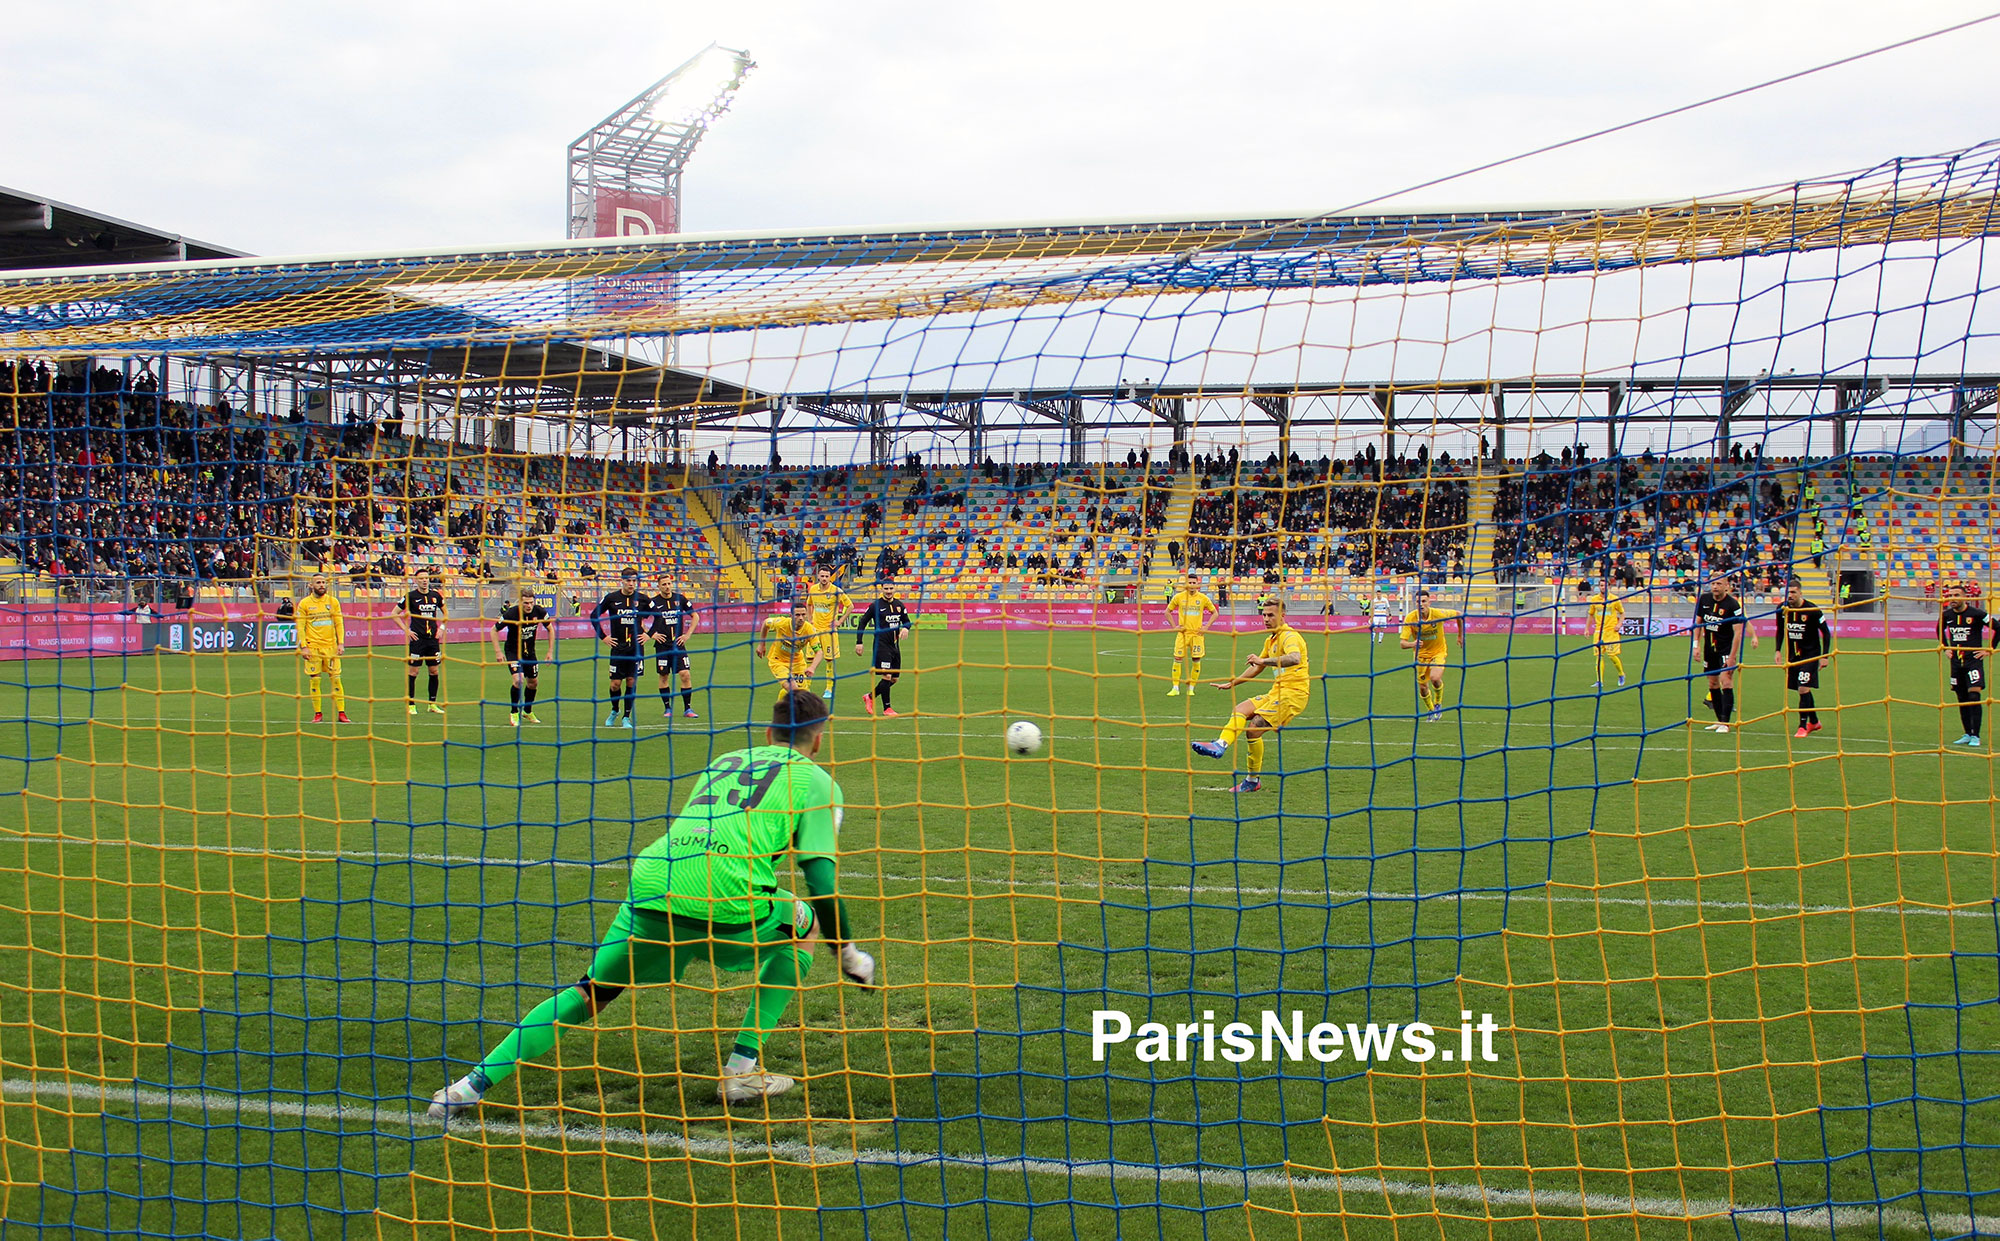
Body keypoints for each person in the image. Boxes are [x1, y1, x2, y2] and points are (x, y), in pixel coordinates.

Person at [426, 690, 878, 1117]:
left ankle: (464, 1089)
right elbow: (819, 877)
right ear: (819, 738)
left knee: (589, 992)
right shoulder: (819, 782)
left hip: (652, 882)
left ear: (767, 733)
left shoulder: (726, 760)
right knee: (806, 927)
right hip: (727, 896)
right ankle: (740, 1070)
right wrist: (850, 955)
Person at [1189, 594, 1309, 794]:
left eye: (1271, 615)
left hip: (1293, 694)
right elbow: (1256, 668)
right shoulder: (1270, 641)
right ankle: (1220, 745)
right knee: (1240, 709)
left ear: (1283, 616)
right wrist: (1232, 683)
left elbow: (1294, 658)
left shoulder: (1290, 636)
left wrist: (1263, 661)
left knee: (1253, 730)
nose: (1266, 619)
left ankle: (1252, 781)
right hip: (1277, 692)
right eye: (1264, 615)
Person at [1691, 577, 1754, 733]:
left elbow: (1738, 632)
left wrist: (1733, 657)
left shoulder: (1732, 605)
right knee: (1712, 684)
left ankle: (1726, 723)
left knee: (1726, 681)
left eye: (1719, 583)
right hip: (1709, 650)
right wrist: (1695, 646)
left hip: (1726, 650)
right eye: (1713, 583)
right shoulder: (1704, 599)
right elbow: (1698, 624)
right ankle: (1719, 720)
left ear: (1727, 586)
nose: (1715, 586)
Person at [1772, 576, 1831, 738]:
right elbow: (1780, 630)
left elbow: (1826, 633)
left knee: (1803, 688)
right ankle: (1814, 721)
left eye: (1793, 592)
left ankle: (1802, 726)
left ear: (1800, 593)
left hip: (1810, 655)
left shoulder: (1812, 610)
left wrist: (1824, 656)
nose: (1790, 596)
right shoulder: (1782, 609)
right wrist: (1778, 650)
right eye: (1787, 593)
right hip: (1793, 657)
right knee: (1802, 690)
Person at [1940, 583, 1996, 746]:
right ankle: (1966, 733)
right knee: (1962, 698)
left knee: (1974, 696)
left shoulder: (1977, 614)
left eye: (1957, 595)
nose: (1953, 599)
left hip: (1973, 661)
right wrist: (1945, 648)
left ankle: (1975, 736)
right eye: (1950, 595)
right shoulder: (1947, 615)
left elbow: (1997, 628)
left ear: (1965, 597)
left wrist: (1989, 649)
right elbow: (1939, 630)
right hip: (1956, 663)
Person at [590, 568, 647, 729]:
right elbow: (594, 616)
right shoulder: (611, 598)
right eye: (628, 580)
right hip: (618, 648)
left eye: (634, 581)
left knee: (631, 680)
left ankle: (626, 717)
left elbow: (658, 616)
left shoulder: (642, 599)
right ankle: (615, 710)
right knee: (615, 684)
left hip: (636, 649)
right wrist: (604, 637)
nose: (631, 583)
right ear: (622, 580)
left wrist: (648, 635)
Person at [1399, 588, 1464, 722]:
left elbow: (1459, 614)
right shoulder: (1411, 618)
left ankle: (1438, 704)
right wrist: (1413, 644)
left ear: (1429, 602)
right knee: (1423, 687)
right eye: (1418, 602)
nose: (1421, 604)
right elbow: (1402, 643)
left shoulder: (1438, 614)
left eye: (1424, 601)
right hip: (1420, 656)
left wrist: (1460, 635)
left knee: (1435, 678)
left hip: (1438, 652)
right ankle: (1430, 710)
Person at [494, 583, 552, 727]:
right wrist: (498, 651)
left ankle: (527, 711)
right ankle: (514, 712)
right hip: (513, 652)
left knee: (533, 683)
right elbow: (493, 630)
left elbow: (550, 629)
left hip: (530, 653)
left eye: (531, 603)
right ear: (520, 602)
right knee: (518, 680)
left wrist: (550, 651)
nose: (529, 606)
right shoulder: (511, 614)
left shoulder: (539, 612)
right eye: (526, 603)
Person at [854, 578, 913, 717]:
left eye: (891, 589)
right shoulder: (875, 606)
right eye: (886, 589)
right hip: (881, 646)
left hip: (895, 647)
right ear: (881, 589)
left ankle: (869, 696)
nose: (888, 591)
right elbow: (862, 622)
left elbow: (907, 622)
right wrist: (859, 642)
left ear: (894, 589)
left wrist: (906, 628)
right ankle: (887, 708)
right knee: (886, 676)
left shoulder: (899, 605)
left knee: (894, 679)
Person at [296, 573, 348, 724]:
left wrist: (341, 643)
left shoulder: (333, 602)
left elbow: (339, 623)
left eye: (323, 582)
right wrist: (304, 646)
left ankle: (342, 713)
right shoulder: (304, 603)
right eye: (318, 582)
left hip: (331, 647)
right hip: (313, 648)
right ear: (311, 585)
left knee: (336, 680)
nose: (321, 585)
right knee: (315, 680)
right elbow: (300, 626)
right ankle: (318, 713)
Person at [396, 569, 447, 716]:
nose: (425, 581)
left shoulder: (436, 596)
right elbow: (394, 614)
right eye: (421, 578)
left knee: (434, 671)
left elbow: (446, 613)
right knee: (414, 671)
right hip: (417, 640)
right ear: (416, 580)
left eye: (426, 578)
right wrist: (406, 630)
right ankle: (411, 704)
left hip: (433, 640)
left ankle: (432, 703)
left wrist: (442, 628)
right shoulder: (410, 596)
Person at [649, 575, 701, 720]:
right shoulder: (653, 602)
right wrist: (652, 634)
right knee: (664, 675)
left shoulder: (681, 599)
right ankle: (667, 708)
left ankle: (688, 708)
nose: (667, 586)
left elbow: (695, 616)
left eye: (669, 583)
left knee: (685, 674)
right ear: (658, 586)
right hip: (662, 646)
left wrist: (688, 634)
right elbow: (639, 619)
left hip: (678, 645)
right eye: (664, 584)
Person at [1162, 574, 1217, 696]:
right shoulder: (1179, 597)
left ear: (1197, 584)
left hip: (1197, 634)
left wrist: (1206, 627)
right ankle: (1175, 688)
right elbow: (1167, 612)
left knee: (1196, 659)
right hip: (1182, 634)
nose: (1191, 585)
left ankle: (1191, 688)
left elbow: (1215, 613)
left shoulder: (1203, 598)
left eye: (1194, 583)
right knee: (1177, 658)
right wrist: (1174, 626)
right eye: (1189, 583)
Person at [805, 566, 853, 703]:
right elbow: (809, 604)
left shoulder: (836, 591)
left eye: (827, 576)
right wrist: (810, 620)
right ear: (818, 576)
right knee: (809, 659)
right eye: (822, 576)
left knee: (829, 660)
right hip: (814, 632)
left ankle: (829, 689)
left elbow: (850, 606)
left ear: (829, 577)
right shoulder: (813, 589)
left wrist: (839, 621)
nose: (824, 578)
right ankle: (807, 688)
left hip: (829, 632)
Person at [758, 595, 822, 692]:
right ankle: (784, 707)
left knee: (802, 692)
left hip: (797, 662)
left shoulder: (810, 630)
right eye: (797, 615)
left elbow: (819, 652)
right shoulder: (781, 623)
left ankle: (783, 705)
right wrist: (761, 644)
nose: (801, 618)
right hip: (778, 661)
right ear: (791, 616)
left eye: (803, 615)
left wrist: (812, 667)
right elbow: (765, 623)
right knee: (793, 688)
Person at [1585, 580, 1626, 688]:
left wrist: (1619, 624)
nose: (1603, 587)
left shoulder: (1614, 599)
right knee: (1599, 657)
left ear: (1609, 586)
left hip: (1611, 632)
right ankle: (1599, 681)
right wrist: (1586, 629)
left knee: (1612, 656)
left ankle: (1621, 674)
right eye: (1601, 585)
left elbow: (1622, 613)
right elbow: (1590, 615)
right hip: (1598, 632)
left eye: (1605, 585)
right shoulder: (1594, 600)